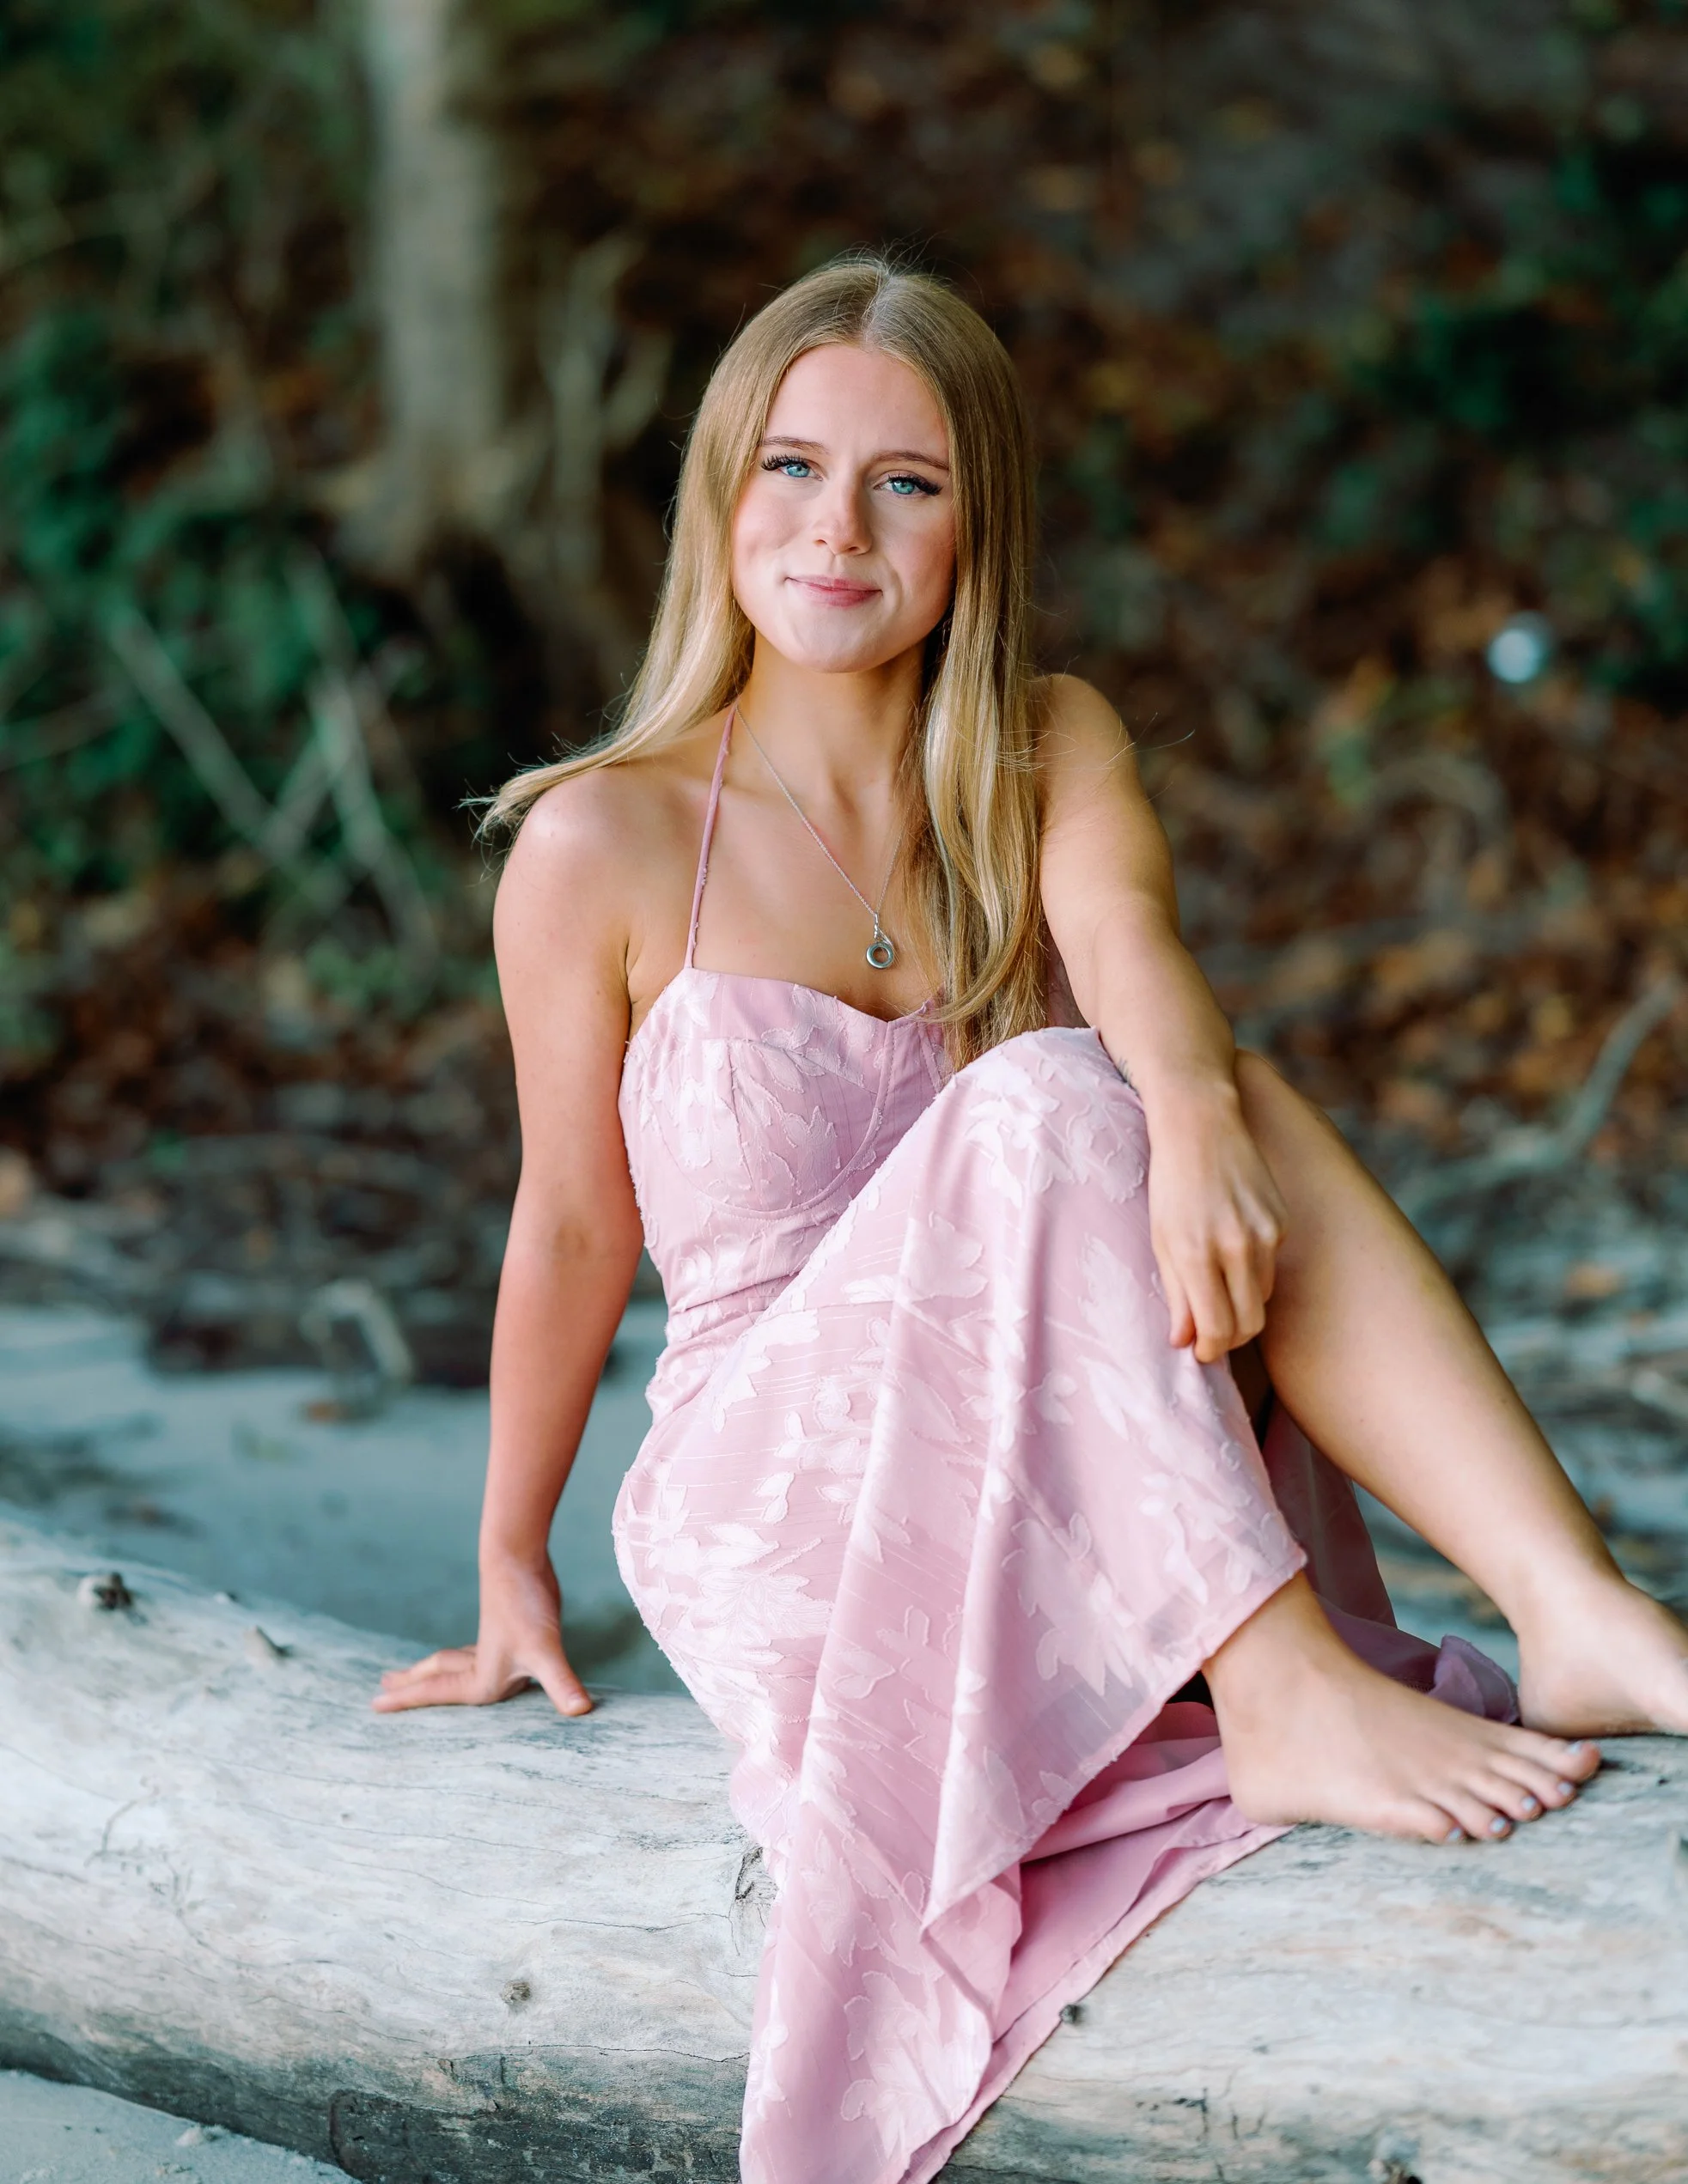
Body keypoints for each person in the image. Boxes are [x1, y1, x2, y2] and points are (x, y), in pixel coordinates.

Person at [374, 257, 1688, 2184]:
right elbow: (571, 1224)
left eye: (905, 482)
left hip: (1055, 1441)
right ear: (719, 495)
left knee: (1173, 1078)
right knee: (1066, 1090)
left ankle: (1574, 1609)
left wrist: (1197, 1115)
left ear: (976, 517)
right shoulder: (602, 840)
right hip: (780, 1492)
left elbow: (1134, 949)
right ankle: (1281, 1686)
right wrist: (507, 1562)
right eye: (792, 468)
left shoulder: (1039, 739)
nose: (838, 527)